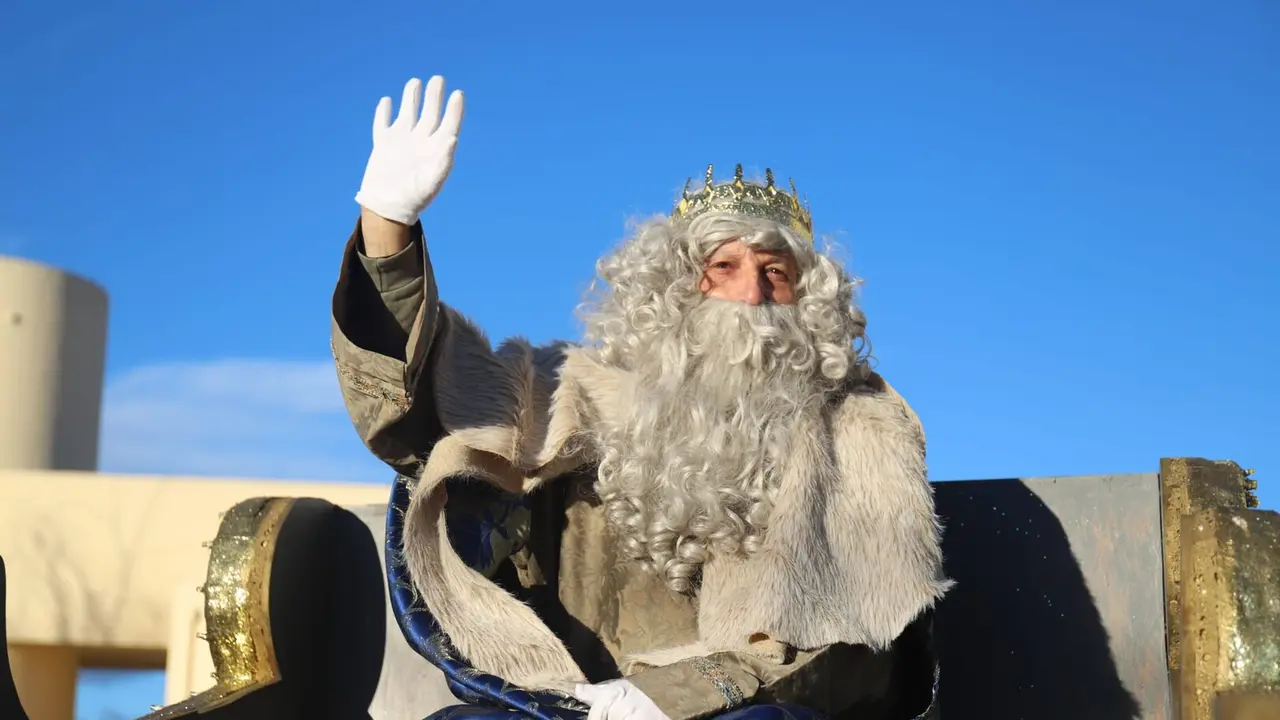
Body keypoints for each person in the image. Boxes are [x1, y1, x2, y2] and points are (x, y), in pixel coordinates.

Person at [331, 75, 951, 720]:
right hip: (562, 706)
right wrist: (388, 227)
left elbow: (852, 633)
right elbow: (422, 416)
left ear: (808, 298)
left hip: (756, 705)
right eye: (723, 267)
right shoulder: (563, 388)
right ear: (674, 287)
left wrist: (676, 696)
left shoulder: (860, 430)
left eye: (776, 273)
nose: (753, 294)